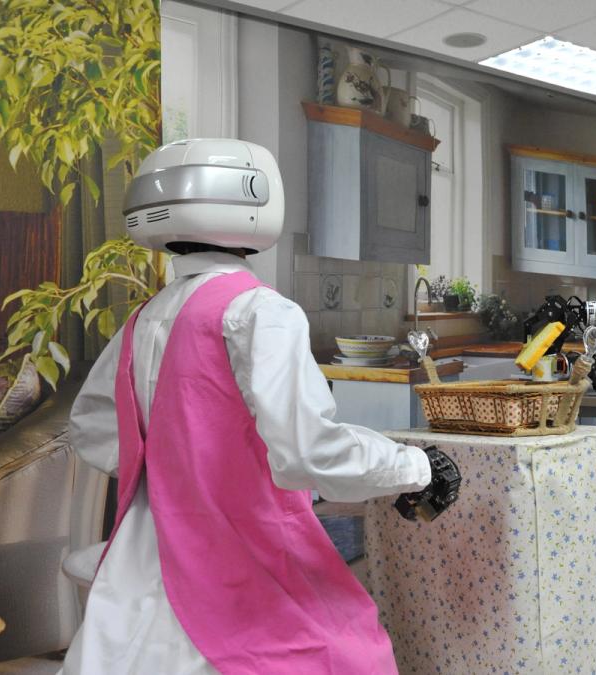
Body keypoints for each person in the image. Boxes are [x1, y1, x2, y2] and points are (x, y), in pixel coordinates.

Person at [60, 139, 442, 674]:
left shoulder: (145, 318)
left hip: (142, 560)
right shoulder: (259, 311)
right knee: (346, 652)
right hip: (238, 564)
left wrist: (179, 473)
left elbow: (94, 430)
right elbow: (308, 453)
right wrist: (414, 466)